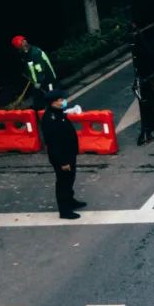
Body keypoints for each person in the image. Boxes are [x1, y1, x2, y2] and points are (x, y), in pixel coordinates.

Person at [39, 89, 86, 219]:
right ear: (54, 103)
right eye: (60, 100)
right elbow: (54, 143)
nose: (63, 101)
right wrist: (63, 162)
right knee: (63, 183)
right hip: (62, 157)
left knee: (70, 179)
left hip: (69, 153)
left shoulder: (58, 113)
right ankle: (64, 210)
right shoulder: (50, 119)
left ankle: (70, 201)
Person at [131, 23, 154, 146]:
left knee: (148, 104)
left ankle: (150, 129)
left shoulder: (142, 45)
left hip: (147, 78)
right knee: (146, 105)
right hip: (144, 78)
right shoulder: (141, 43)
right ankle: (149, 129)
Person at [12, 35, 57, 109]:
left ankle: (59, 115)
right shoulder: (26, 54)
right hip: (38, 81)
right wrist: (29, 76)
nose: (24, 43)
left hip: (48, 80)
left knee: (52, 100)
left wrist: (37, 83)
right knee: (38, 102)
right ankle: (41, 114)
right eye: (22, 42)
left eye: (24, 42)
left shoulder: (35, 53)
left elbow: (40, 71)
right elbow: (30, 68)